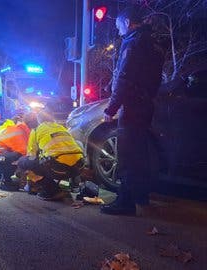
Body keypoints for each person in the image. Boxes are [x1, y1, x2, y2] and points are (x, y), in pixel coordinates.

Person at [101, 7, 166, 215]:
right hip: (147, 104)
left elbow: (125, 78)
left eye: (118, 24)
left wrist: (111, 108)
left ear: (127, 22)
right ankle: (141, 195)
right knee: (141, 152)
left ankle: (125, 202)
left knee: (127, 154)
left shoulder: (133, 42)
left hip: (132, 106)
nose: (118, 29)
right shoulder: (155, 43)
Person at [17, 109, 85, 201]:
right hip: (78, 167)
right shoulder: (62, 127)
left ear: (39, 120)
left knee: (23, 161)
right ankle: (75, 185)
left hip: (58, 169)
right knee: (68, 154)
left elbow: (31, 155)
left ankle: (51, 191)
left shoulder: (36, 130)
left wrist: (30, 182)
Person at [0, 112, 38, 191]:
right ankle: (6, 183)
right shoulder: (19, 131)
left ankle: (0, 176)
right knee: (19, 157)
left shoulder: (21, 130)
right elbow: (24, 152)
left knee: (15, 156)